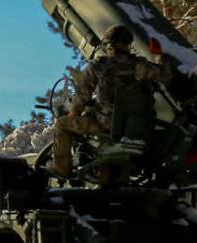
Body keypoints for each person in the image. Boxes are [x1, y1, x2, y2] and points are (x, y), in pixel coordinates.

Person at [50, 23, 173, 177]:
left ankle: (62, 168)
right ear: (128, 44)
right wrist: (159, 54)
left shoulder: (97, 66)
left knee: (61, 124)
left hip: (104, 123)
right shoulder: (139, 66)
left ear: (109, 44)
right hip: (131, 127)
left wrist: (74, 113)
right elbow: (165, 76)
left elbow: (83, 95)